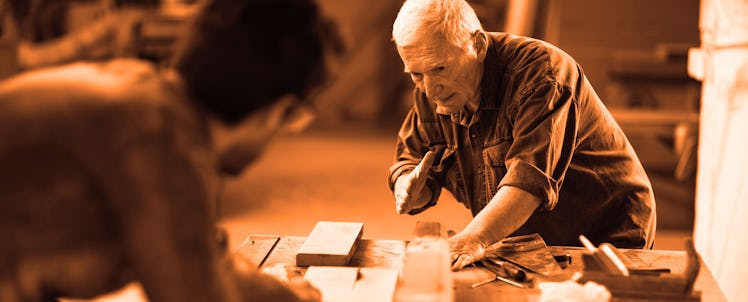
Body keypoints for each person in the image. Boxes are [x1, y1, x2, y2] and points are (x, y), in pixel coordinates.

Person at [0, 0, 338, 301]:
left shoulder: (148, 99)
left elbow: (202, 257)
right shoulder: (157, 138)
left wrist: (287, 295)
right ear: (281, 111)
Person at [387, 0, 656, 271]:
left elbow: (528, 182)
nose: (430, 90)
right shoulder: (434, 92)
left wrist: (472, 239)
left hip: (606, 234)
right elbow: (409, 159)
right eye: (416, 75)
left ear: (478, 45)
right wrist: (408, 188)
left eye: (440, 69)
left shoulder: (542, 77)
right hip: (531, 240)